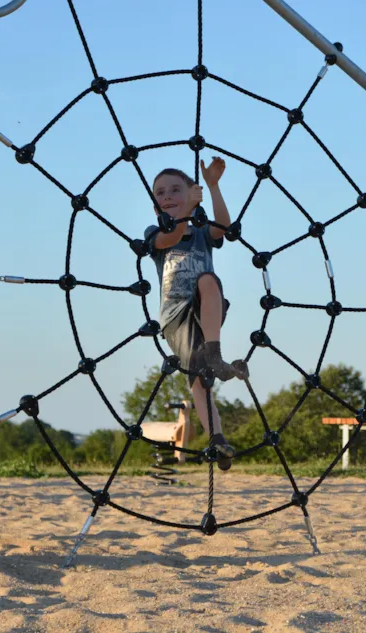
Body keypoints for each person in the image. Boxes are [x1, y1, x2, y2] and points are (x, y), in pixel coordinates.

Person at [144, 157, 247, 471]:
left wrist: (213, 187)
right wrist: (187, 206)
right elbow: (171, 237)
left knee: (208, 280)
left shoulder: (202, 232)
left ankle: (214, 353)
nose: (167, 196)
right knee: (199, 381)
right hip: (175, 319)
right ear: (155, 206)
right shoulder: (155, 232)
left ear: (193, 193)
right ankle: (217, 440)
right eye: (160, 193)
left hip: (207, 310)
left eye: (176, 190)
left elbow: (225, 229)